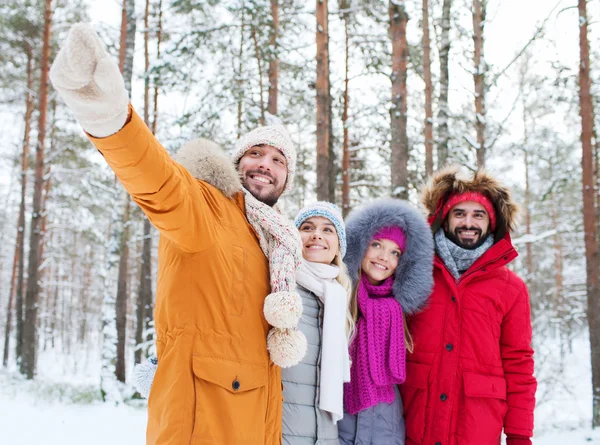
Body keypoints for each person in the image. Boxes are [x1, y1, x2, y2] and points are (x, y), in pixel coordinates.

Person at [49, 24, 307, 445]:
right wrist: (109, 117)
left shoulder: (277, 242)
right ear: (236, 164)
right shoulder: (206, 207)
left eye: (278, 159)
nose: (266, 164)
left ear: (286, 178)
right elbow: (157, 180)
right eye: (255, 153)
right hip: (200, 425)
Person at [400, 166, 537, 445]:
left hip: (477, 430)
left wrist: (519, 435)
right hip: (412, 425)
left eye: (479, 214)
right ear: (444, 219)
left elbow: (519, 365)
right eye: (459, 213)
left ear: (492, 222)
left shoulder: (511, 289)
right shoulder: (416, 271)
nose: (468, 222)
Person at [337, 199, 434, 445]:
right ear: (360, 246)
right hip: (340, 424)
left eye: (395, 252)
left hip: (386, 427)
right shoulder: (338, 297)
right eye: (377, 244)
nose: (384, 257)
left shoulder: (400, 310)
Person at [282, 202, 353, 444]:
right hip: (280, 430)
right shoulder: (281, 288)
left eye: (327, 230)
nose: (316, 235)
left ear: (337, 248)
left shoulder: (337, 298)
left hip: (325, 434)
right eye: (307, 227)